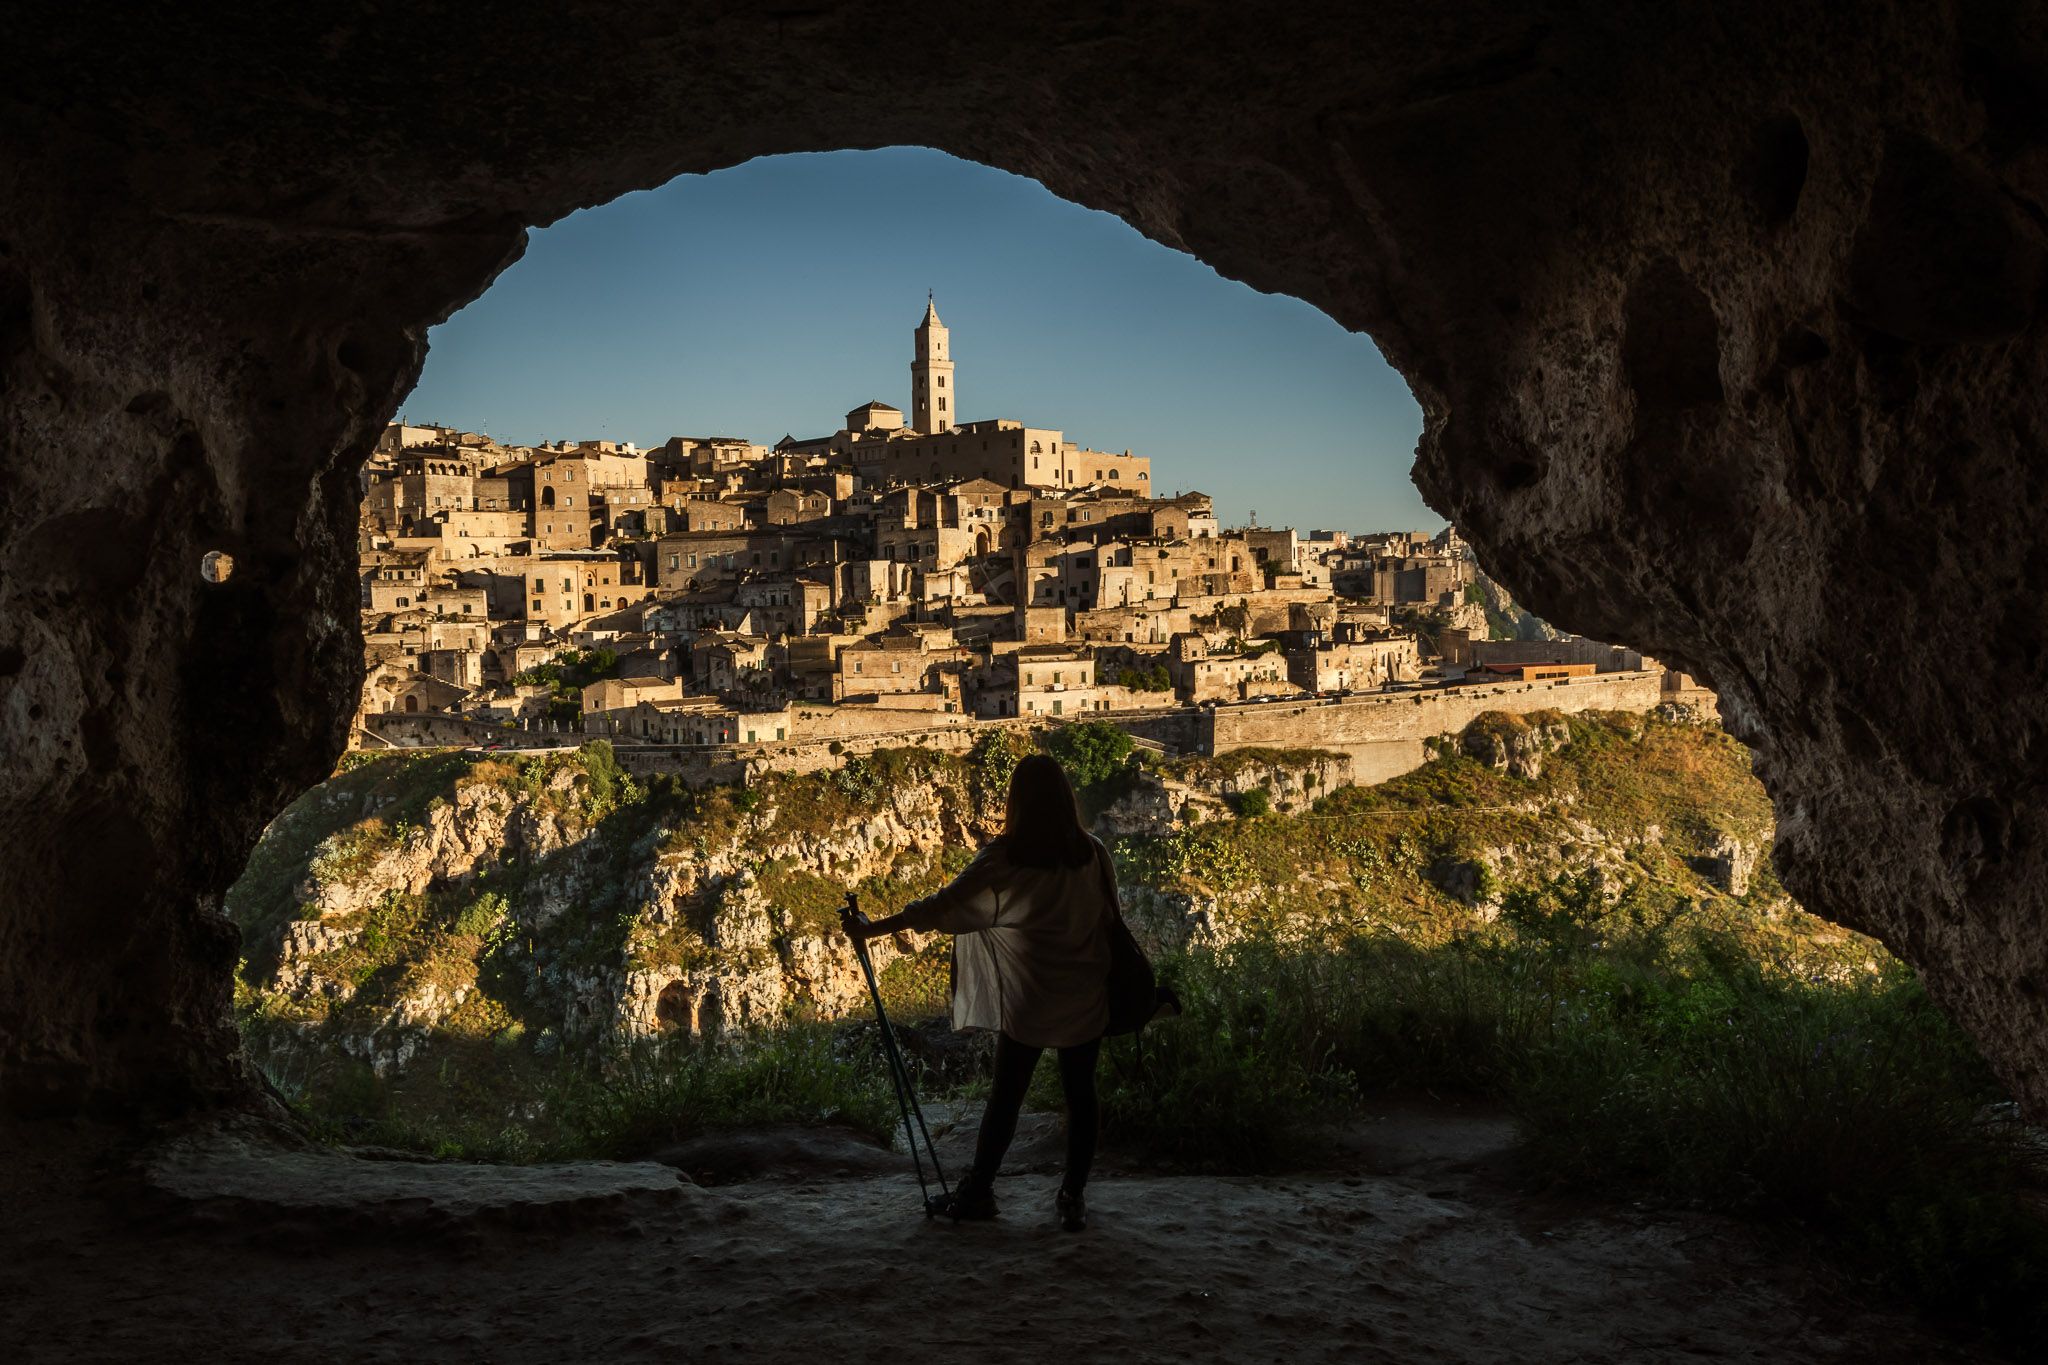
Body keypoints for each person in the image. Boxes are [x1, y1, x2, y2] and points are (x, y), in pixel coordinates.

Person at [843, 754, 1114, 1232]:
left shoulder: (1005, 859)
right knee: (1081, 1094)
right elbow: (1111, 918)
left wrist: (873, 929)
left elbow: (942, 906)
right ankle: (1073, 1196)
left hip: (1032, 999)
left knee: (1006, 1096)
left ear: (1019, 804)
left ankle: (979, 1192)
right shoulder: (1091, 851)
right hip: (1086, 992)